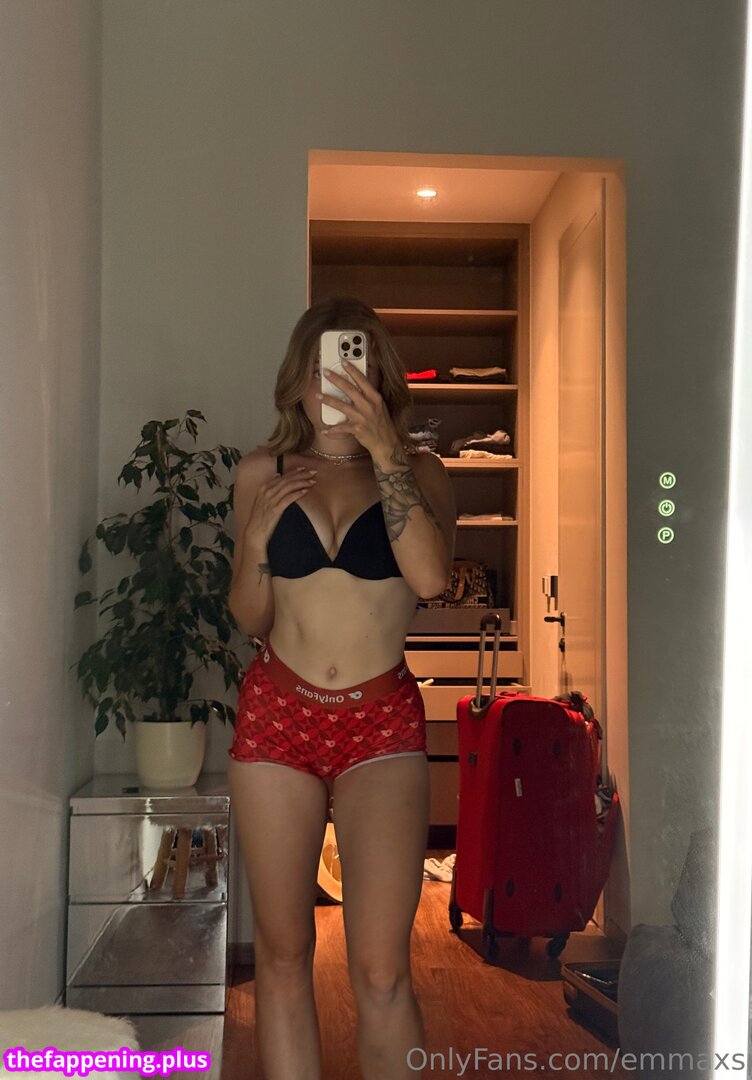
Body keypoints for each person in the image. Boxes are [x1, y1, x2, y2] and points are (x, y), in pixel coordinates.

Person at [226, 297, 457, 1080]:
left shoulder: (422, 473)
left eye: (357, 365)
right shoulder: (260, 473)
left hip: (380, 725)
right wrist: (257, 543)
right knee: (283, 954)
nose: (339, 384)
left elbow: (429, 579)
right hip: (277, 716)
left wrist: (386, 450)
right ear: (299, 378)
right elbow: (250, 615)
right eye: (326, 367)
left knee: (383, 971)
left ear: (381, 377)